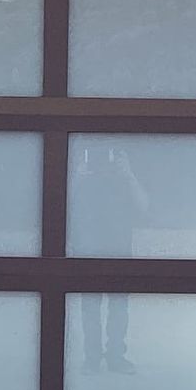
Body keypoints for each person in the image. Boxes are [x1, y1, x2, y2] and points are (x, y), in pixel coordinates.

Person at [71, 147, 148, 373]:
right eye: (96, 157)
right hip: (89, 252)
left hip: (119, 251)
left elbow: (143, 208)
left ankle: (115, 356)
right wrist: (76, 177)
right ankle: (92, 358)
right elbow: (61, 206)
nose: (102, 163)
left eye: (107, 157)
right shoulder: (82, 184)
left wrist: (129, 176)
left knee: (118, 308)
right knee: (91, 309)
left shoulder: (123, 182)